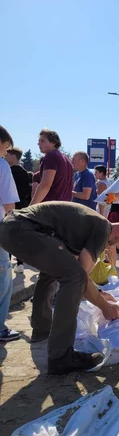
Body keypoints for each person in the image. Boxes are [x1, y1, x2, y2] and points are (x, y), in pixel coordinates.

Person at [0, 201, 119, 373]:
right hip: (23, 229)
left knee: (55, 272)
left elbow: (75, 268)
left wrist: (99, 293)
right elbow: (80, 278)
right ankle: (61, 357)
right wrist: (104, 306)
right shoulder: (102, 228)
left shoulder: (91, 224)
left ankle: (42, 330)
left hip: (11, 227)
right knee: (73, 279)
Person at [0, 125, 20, 342]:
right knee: (3, 277)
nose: (6, 152)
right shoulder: (2, 167)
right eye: (5, 147)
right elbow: (9, 205)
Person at [5, 147, 32, 274]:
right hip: (23, 206)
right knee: (19, 236)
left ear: (14, 157)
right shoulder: (26, 173)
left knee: (7, 235)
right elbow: (28, 192)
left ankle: (7, 262)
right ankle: (20, 263)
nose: (5, 156)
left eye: (8, 154)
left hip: (9, 206)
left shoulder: (8, 171)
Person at [31, 129, 73, 205]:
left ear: (53, 143)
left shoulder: (51, 156)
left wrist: (31, 207)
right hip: (66, 207)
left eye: (42, 141)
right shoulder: (67, 160)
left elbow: (45, 185)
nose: (38, 143)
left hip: (50, 207)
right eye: (39, 140)